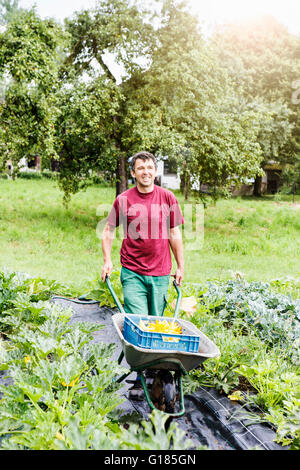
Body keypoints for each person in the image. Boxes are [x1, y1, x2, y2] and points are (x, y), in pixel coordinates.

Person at [101, 151, 184, 398]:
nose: (145, 172)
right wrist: (107, 261)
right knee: (138, 323)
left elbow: (174, 234)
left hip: (160, 272)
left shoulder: (168, 198)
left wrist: (180, 266)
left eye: (149, 167)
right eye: (140, 168)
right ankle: (139, 376)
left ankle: (154, 372)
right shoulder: (123, 199)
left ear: (155, 171)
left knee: (157, 323)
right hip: (132, 271)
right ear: (134, 172)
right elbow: (108, 232)